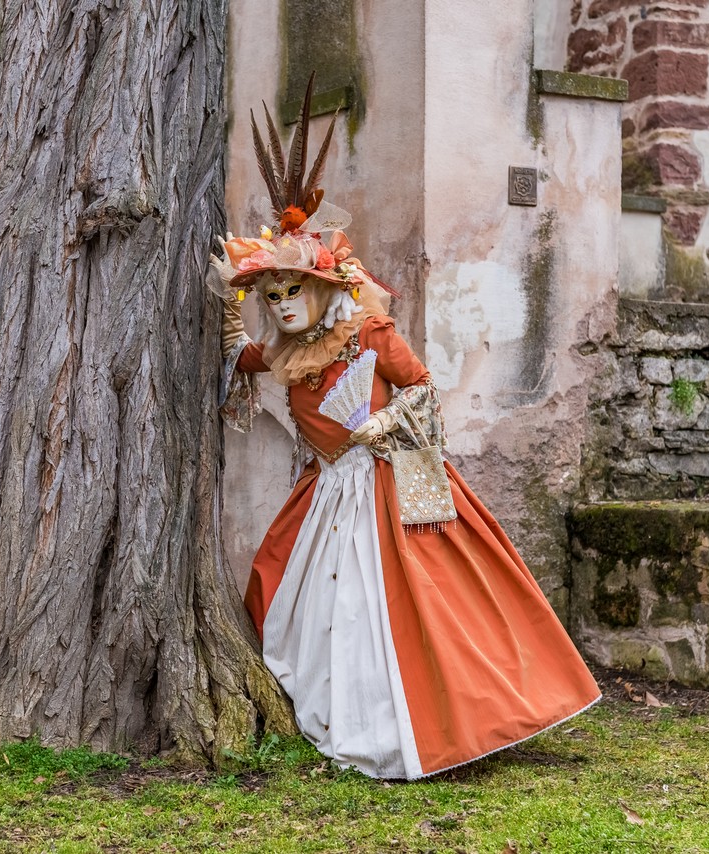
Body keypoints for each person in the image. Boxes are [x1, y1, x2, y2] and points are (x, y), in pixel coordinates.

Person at [211, 86, 601, 780]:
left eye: (293, 289)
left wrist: (385, 420)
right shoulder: (282, 353)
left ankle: (435, 717)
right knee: (286, 581)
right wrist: (230, 304)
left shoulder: (369, 333)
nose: (284, 304)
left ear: (324, 288)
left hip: (390, 479)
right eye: (273, 295)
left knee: (411, 601)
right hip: (325, 490)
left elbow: (420, 385)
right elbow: (240, 353)